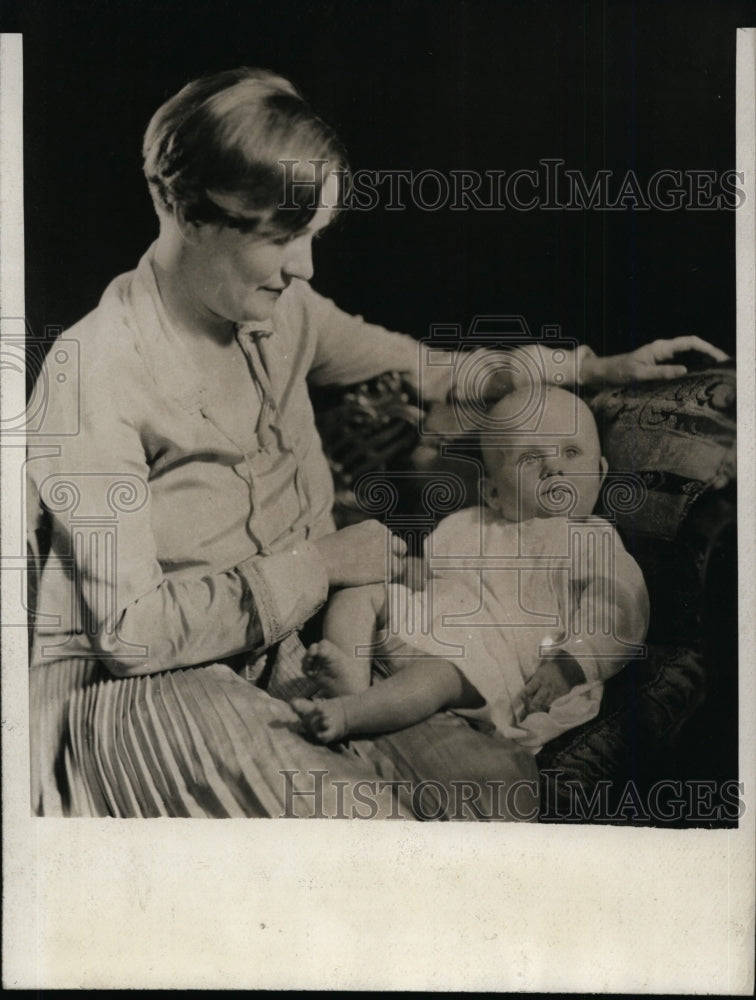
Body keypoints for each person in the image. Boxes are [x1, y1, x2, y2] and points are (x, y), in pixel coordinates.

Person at [27, 66, 727, 819]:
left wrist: (592, 366)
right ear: (188, 212)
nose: (306, 266)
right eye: (284, 237)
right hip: (149, 684)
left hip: (306, 644)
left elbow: (426, 368)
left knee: (495, 798)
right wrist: (321, 562)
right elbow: (131, 636)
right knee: (348, 829)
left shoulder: (283, 308)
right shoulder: (92, 374)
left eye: (315, 236)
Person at [292, 387, 649, 749]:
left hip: (501, 662)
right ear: (493, 493)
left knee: (440, 674)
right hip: (434, 620)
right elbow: (434, 578)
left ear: (600, 473)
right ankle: (350, 676)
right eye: (529, 458)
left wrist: (568, 667)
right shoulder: (474, 525)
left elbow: (616, 614)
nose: (553, 466)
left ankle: (348, 716)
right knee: (359, 592)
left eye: (571, 452)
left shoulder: (594, 543)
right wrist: (403, 573)